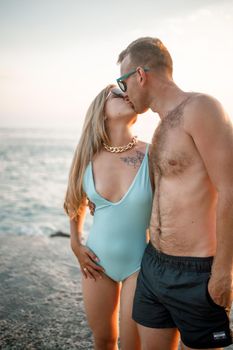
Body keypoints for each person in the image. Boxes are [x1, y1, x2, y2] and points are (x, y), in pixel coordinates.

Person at [116, 37, 233, 350]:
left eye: (122, 82)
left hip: (195, 271)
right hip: (154, 263)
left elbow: (230, 190)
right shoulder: (161, 125)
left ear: (140, 75)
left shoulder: (201, 108)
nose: (123, 92)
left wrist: (223, 272)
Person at [64, 85, 153, 350]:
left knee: (131, 343)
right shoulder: (86, 157)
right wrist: (75, 244)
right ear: (101, 111)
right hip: (96, 261)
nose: (127, 94)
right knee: (102, 340)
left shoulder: (152, 154)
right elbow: (73, 202)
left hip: (140, 264)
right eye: (116, 94)